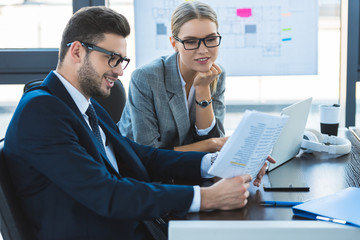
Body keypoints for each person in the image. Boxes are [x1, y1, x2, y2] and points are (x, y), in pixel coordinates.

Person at [3, 6, 274, 240]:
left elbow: (138, 156)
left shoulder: (84, 103)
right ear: (76, 51)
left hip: (129, 225)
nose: (119, 71)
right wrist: (207, 197)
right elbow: (107, 193)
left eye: (122, 60)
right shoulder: (41, 111)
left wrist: (214, 163)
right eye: (111, 58)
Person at [119, 1, 227, 152]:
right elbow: (148, 152)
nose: (203, 50)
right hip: (141, 171)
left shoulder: (216, 74)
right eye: (190, 41)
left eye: (210, 39)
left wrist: (203, 89)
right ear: (174, 43)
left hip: (190, 169)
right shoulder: (146, 78)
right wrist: (210, 144)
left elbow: (214, 145)